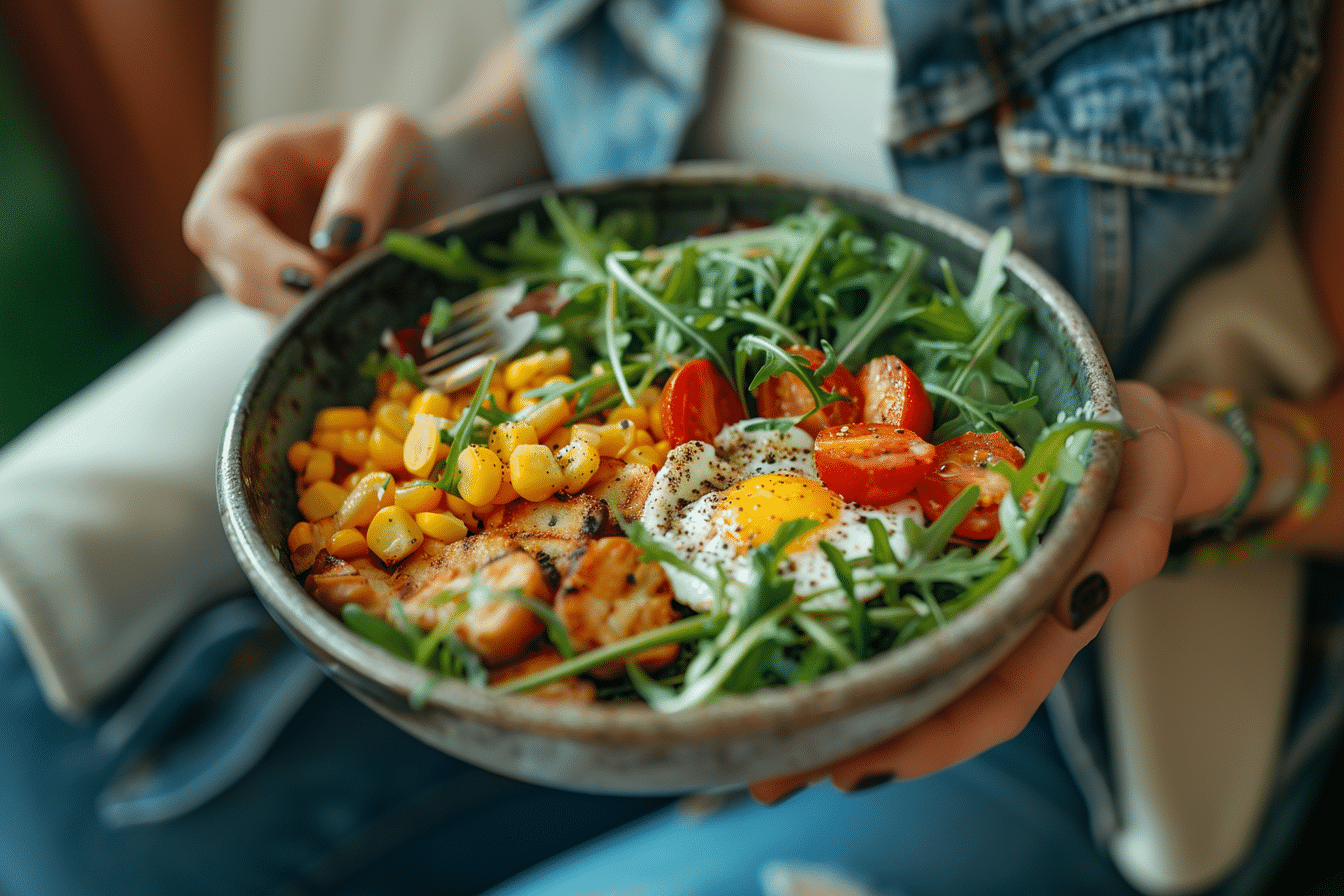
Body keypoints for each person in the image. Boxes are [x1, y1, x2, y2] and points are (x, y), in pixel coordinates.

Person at [3, 1, 1342, 894]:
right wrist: (459, 149)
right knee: (41, 809)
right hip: (566, 412)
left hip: (1091, 686)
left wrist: (1204, 465)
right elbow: (599, 51)